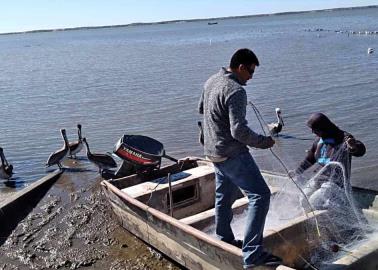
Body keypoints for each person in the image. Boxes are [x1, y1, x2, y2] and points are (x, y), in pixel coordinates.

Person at [198, 48, 282, 269]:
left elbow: (202, 111)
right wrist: (265, 142)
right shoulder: (236, 91)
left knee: (223, 197)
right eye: (251, 72)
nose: (251, 78)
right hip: (231, 153)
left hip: (213, 152)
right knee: (261, 195)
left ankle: (224, 238)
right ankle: (253, 256)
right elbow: (239, 132)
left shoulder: (211, 81)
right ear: (241, 67)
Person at [290, 113, 366, 210]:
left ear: (324, 127)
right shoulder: (319, 140)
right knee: (303, 200)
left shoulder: (342, 137)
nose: (313, 132)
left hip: (335, 183)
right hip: (319, 178)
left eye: (315, 129)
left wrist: (354, 147)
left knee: (313, 202)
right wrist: (297, 171)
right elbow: (310, 159)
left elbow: (361, 150)